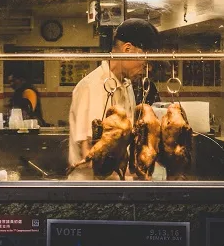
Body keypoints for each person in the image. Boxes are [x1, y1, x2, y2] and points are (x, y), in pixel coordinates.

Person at [67, 18, 161, 180]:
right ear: (127, 49)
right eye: (145, 59)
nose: (148, 67)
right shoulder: (93, 87)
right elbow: (90, 156)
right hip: (91, 190)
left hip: (117, 185)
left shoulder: (126, 85)